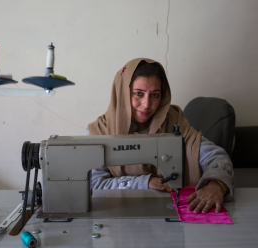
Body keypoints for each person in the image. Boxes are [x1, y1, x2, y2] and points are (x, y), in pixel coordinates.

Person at [88, 58, 235, 214]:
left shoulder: (174, 121)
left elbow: (216, 157)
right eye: (138, 94)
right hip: (122, 214)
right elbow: (95, 183)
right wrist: (144, 182)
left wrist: (216, 185)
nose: (146, 104)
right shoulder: (100, 131)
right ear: (122, 93)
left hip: (169, 219)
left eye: (155, 95)